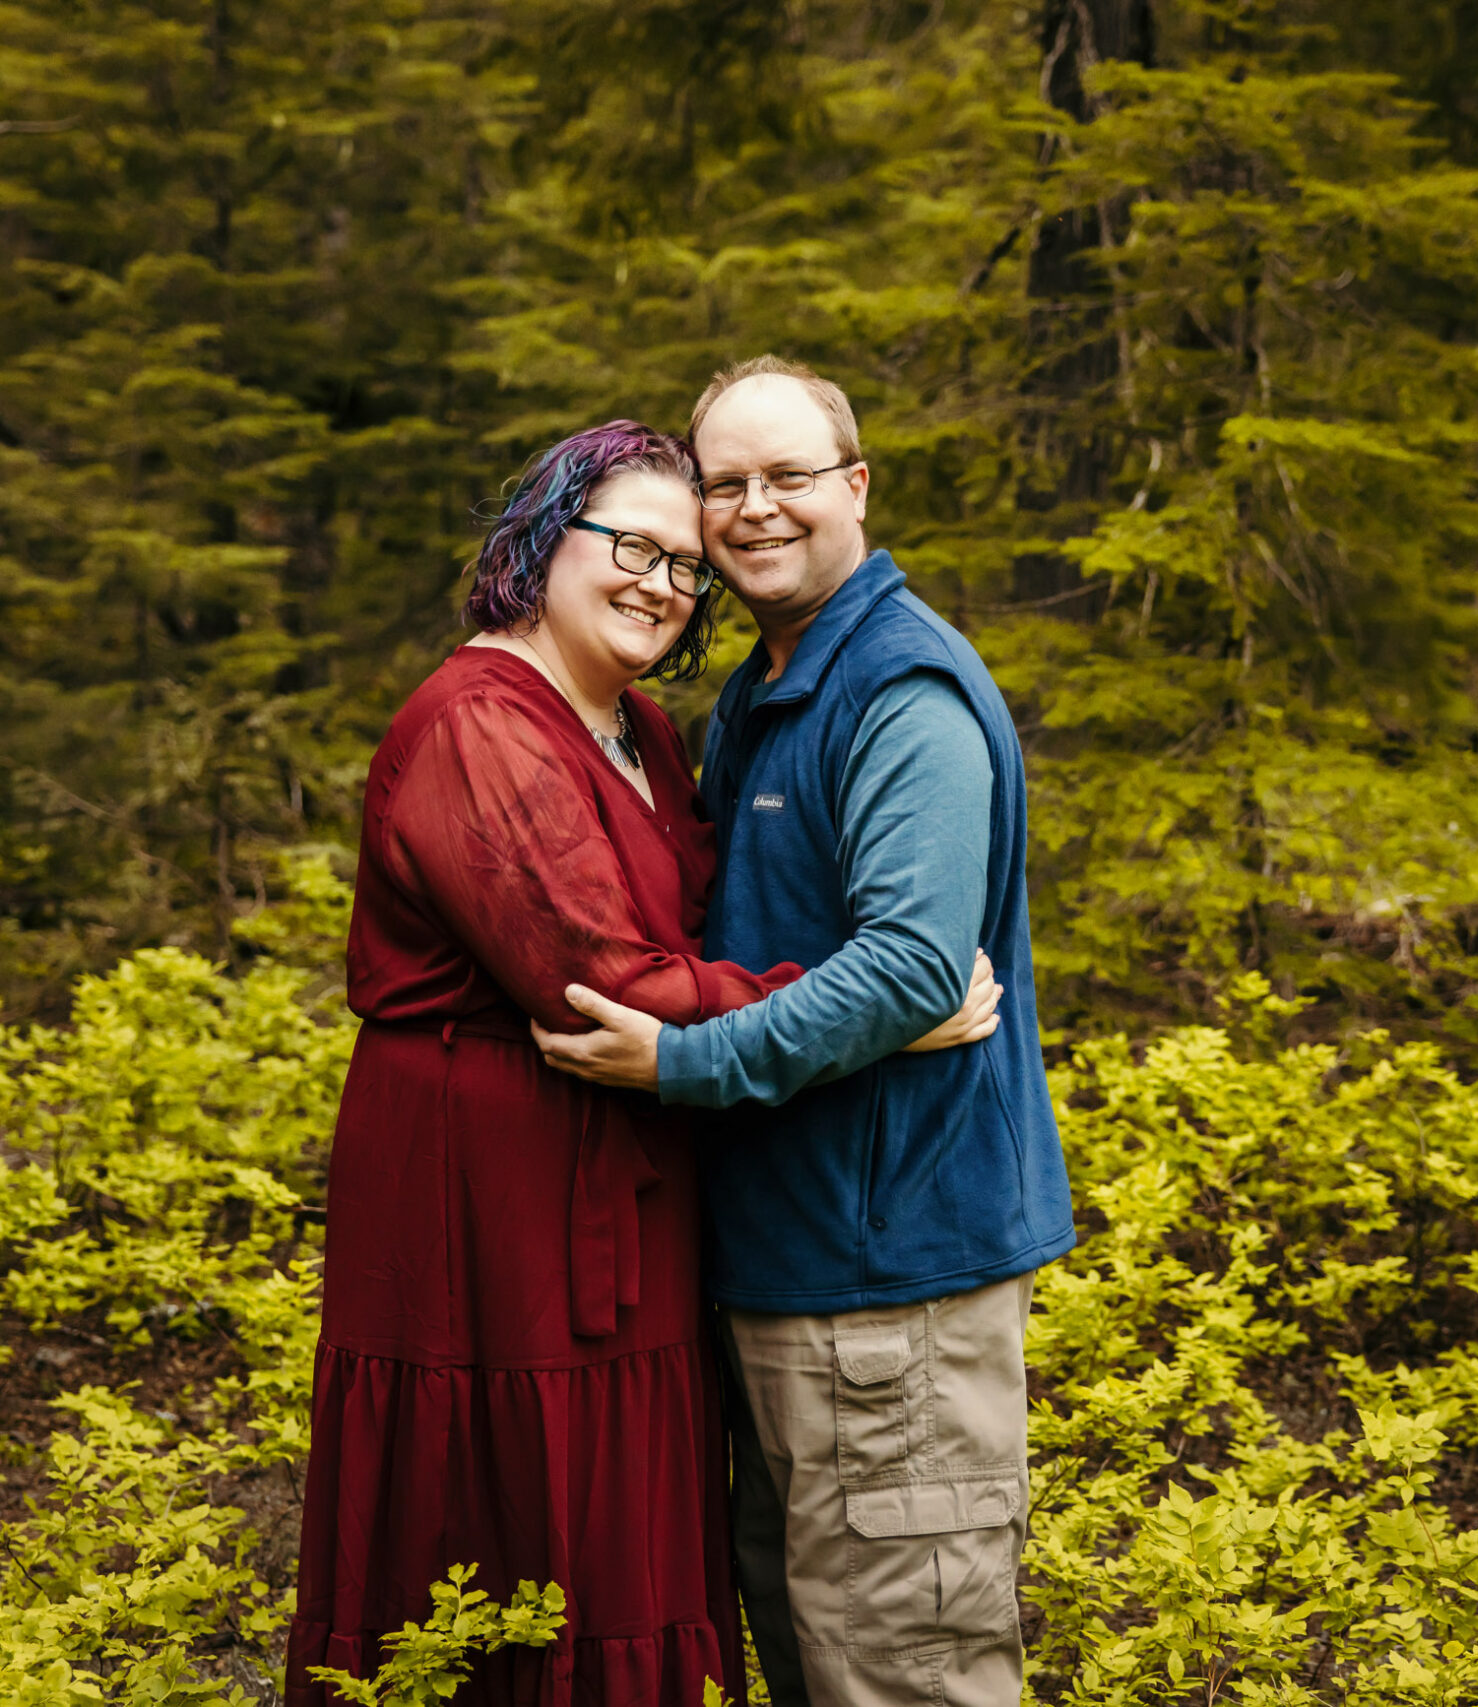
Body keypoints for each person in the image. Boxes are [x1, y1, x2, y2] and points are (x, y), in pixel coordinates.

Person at [283, 419, 1001, 1707]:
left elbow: (703, 941)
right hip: (485, 1205)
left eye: (686, 566)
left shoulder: (647, 733)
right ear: (543, 539)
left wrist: (840, 995)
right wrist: (865, 1000)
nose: (661, 583)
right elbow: (603, 979)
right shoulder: (478, 724)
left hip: (632, 1179)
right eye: (631, 545)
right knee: (513, 1534)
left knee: (630, 1536)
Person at [537, 359, 1076, 1707]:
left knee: (903, 1673)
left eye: (789, 477)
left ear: (856, 486)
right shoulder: (773, 694)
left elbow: (908, 964)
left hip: (890, 1288)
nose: (756, 509)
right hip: (800, 1280)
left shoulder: (898, 694)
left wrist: (681, 1062)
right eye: (728, 485)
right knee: (824, 1658)